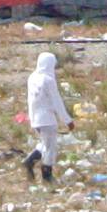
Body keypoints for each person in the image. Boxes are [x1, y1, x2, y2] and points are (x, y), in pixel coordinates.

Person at [23, 52, 73, 183]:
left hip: (35, 118)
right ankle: (47, 175)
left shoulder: (32, 77)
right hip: (47, 118)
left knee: (44, 144)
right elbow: (57, 101)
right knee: (50, 148)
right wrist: (67, 120)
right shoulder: (48, 80)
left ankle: (29, 161)